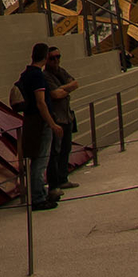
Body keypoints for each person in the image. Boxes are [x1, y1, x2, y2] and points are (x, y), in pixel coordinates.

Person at [15, 44, 59, 210]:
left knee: (36, 160)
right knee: (40, 161)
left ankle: (39, 192)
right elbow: (41, 103)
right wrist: (52, 123)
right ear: (45, 57)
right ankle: (38, 197)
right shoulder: (37, 76)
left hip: (30, 121)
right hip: (40, 122)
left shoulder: (25, 74)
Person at [43, 48, 80, 191]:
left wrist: (63, 89)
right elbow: (55, 94)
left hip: (67, 117)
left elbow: (75, 83)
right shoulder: (46, 76)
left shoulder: (61, 71)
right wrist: (66, 89)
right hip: (57, 118)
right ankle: (55, 182)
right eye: (52, 58)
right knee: (55, 152)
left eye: (58, 56)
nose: (56, 60)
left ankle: (63, 178)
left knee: (66, 149)